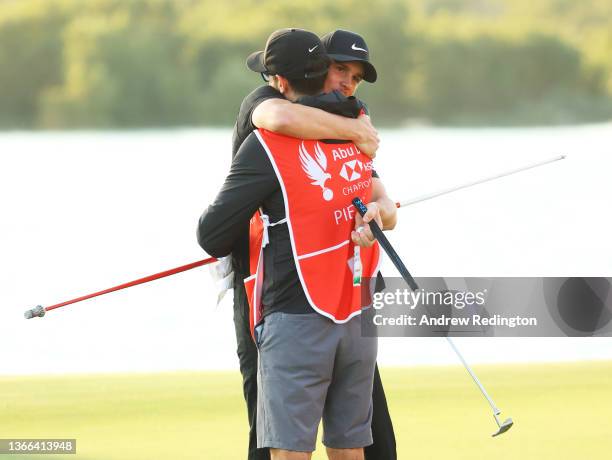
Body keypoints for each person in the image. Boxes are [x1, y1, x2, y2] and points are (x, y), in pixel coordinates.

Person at [198, 28, 396, 460]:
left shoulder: (349, 117)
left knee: (354, 436)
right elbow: (280, 119)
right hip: (266, 280)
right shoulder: (269, 108)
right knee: (269, 425)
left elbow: (382, 198)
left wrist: (379, 208)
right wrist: (355, 130)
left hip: (334, 300)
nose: (347, 83)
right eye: (340, 70)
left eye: (355, 77)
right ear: (317, 69)